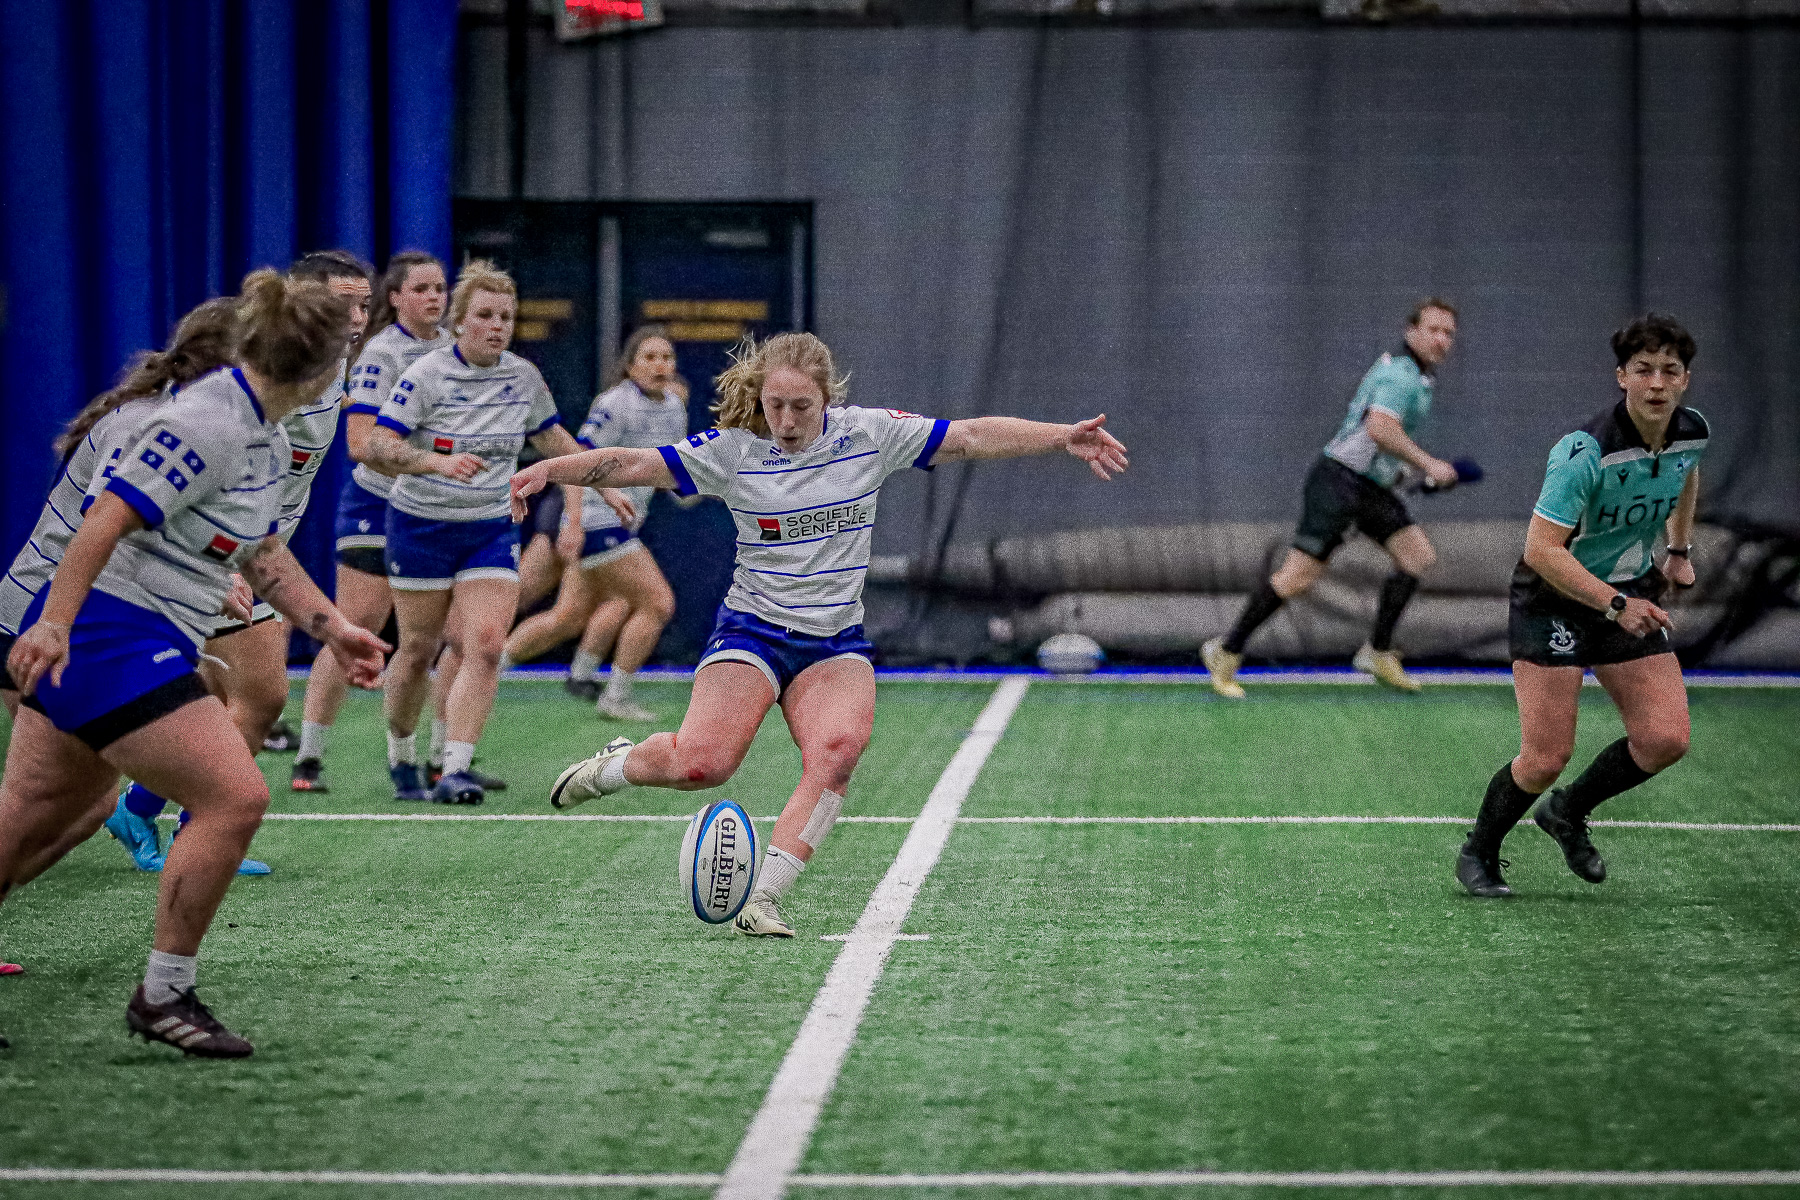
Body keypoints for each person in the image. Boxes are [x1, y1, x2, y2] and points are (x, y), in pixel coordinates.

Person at [517, 332, 1128, 937]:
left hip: (834, 643)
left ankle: (762, 898)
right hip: (753, 631)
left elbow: (969, 434)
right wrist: (549, 468)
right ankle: (619, 764)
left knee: (837, 753)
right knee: (703, 765)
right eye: (774, 405)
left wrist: (1060, 436)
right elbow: (630, 463)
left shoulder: (869, 433)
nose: (784, 420)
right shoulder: (733, 450)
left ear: (827, 398)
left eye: (800, 407)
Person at [0, 270, 387, 1056]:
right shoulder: (209, 420)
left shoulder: (266, 435)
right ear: (314, 371)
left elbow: (265, 552)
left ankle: (163, 994)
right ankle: (164, 995)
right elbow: (103, 520)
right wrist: (55, 628)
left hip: (123, 635)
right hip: (114, 634)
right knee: (235, 798)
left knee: (41, 822)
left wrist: (334, 625)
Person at [0, 297, 245, 976]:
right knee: (40, 806)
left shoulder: (196, 421)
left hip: (69, 622)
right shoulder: (154, 423)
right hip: (48, 619)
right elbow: (104, 526)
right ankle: (168, 989)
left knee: (73, 807)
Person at [106, 251, 372, 873]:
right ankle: (178, 828)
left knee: (240, 695)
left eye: (365, 304)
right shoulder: (250, 371)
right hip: (211, 555)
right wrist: (225, 562)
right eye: (344, 303)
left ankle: (149, 814)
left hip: (253, 550)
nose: (359, 317)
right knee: (260, 694)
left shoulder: (331, 369)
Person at [1455, 314, 1706, 898]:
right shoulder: (1583, 450)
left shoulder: (1691, 432)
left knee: (1666, 738)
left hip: (1628, 593)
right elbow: (1541, 551)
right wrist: (1617, 604)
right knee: (1545, 757)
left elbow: (1686, 475)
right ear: (1622, 377)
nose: (1657, 384)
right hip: (1553, 601)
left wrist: (1678, 549)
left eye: (1670, 371)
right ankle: (1480, 850)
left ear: (1685, 381)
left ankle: (1566, 813)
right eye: (1643, 370)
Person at [364, 260, 585, 805]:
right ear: (459, 322)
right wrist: (436, 464)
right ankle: (402, 753)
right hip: (420, 524)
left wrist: (599, 480)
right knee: (416, 648)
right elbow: (378, 445)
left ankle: (456, 767)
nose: (497, 326)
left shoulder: (524, 377)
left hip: (489, 527)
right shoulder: (426, 375)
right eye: (484, 315)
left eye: (506, 317)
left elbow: (552, 438)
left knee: (484, 645)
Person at [290, 251, 482, 794]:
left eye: (440, 287)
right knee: (358, 624)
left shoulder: (454, 350)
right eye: (420, 288)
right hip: (378, 504)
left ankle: (445, 760)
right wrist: (433, 460)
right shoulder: (380, 353)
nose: (434, 297)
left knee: (456, 637)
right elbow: (361, 446)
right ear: (394, 298)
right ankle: (310, 757)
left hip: (439, 504)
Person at [1203, 299, 1461, 696]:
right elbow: (1378, 427)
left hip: (1367, 486)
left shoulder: (1414, 376)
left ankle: (1377, 651)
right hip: (1337, 484)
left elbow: (1376, 437)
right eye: (1433, 330)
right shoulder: (1402, 378)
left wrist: (1399, 471)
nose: (1442, 339)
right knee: (1297, 577)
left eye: (1448, 333)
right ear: (1411, 332)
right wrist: (1428, 464)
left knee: (1417, 557)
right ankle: (1225, 650)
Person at [500, 326, 682, 720]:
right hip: (599, 520)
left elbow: (674, 471)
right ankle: (615, 697)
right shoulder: (615, 403)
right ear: (630, 366)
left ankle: (486, 668)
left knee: (567, 617)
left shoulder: (674, 408)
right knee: (657, 603)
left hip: (622, 523)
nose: (659, 365)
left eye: (666, 357)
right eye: (649, 357)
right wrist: (574, 521)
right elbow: (579, 460)